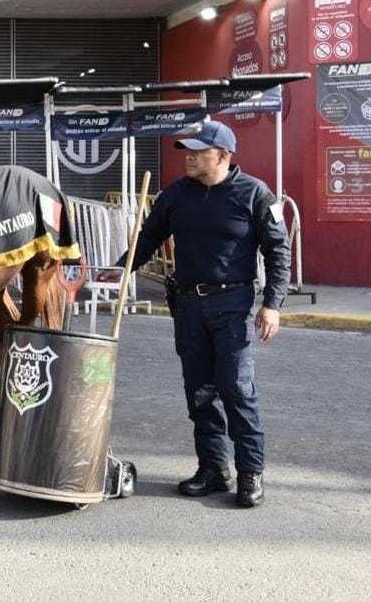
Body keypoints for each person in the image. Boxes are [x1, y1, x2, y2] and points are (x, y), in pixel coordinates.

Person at [113, 120, 290, 508]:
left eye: (198, 151)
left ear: (223, 156)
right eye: (187, 151)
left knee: (236, 389)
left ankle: (250, 473)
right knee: (200, 392)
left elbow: (279, 252)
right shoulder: (175, 195)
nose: (189, 157)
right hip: (188, 305)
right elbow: (148, 240)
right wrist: (118, 270)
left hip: (233, 304)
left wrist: (273, 304)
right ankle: (213, 469)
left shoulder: (255, 194)